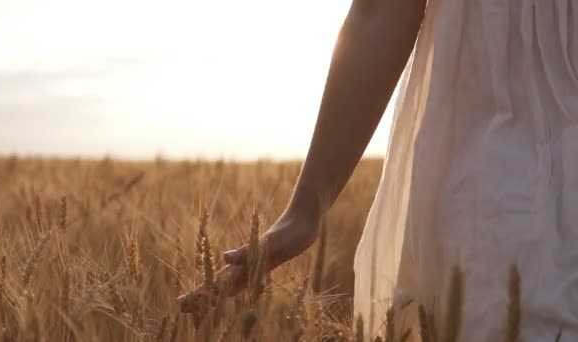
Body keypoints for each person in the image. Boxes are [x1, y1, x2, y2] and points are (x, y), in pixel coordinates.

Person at [180, 0, 578, 340]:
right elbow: (381, 12)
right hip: (499, 180)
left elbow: (380, 11)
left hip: (492, 179)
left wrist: (303, 213)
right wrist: (302, 213)